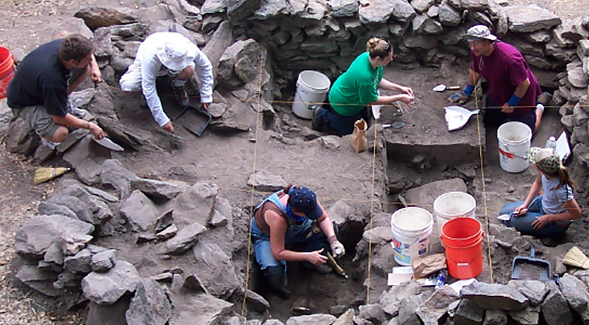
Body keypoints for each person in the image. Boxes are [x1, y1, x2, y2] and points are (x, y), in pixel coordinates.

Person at [6, 34, 104, 148]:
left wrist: (94, 67)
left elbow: (88, 52)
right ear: (73, 61)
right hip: (24, 103)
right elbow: (58, 117)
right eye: (87, 59)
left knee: (85, 68)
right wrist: (90, 126)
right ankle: (45, 132)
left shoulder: (67, 46)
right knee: (61, 133)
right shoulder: (53, 80)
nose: (90, 60)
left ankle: (60, 103)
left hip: (37, 87)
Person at [448, 25, 550, 134]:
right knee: (491, 121)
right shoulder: (477, 52)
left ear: (488, 41)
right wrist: (467, 92)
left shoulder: (510, 58)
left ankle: (540, 104)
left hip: (521, 94)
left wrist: (512, 103)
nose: (472, 47)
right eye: (470, 44)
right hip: (499, 90)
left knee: (527, 132)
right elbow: (475, 70)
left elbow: (524, 83)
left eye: (476, 43)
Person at [251, 184, 345, 297]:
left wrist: (333, 241)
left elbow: (323, 218)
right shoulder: (277, 216)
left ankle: (309, 264)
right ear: (294, 210)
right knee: (274, 272)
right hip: (267, 235)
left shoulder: (306, 199)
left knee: (329, 231)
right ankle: (279, 288)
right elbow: (278, 253)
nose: (312, 215)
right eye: (309, 214)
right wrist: (308, 256)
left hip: (295, 227)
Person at [312, 37, 414, 136]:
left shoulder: (370, 59)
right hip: (343, 103)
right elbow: (372, 100)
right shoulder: (365, 76)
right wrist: (400, 97)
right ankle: (321, 116)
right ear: (379, 58)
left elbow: (377, 80)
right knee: (348, 132)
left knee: (363, 121)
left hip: (351, 95)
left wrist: (400, 88)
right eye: (388, 58)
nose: (391, 59)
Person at [119, 32, 214, 134]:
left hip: (165, 68)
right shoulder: (150, 57)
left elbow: (205, 66)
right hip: (147, 66)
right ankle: (148, 93)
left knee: (189, 69)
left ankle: (177, 85)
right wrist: (162, 119)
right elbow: (149, 87)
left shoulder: (187, 48)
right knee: (128, 86)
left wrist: (206, 94)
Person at [499, 147, 581, 247]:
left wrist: (548, 218)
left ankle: (552, 235)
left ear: (539, 168)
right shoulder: (545, 173)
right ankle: (532, 217)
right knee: (504, 211)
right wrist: (525, 205)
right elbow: (537, 183)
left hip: (555, 223)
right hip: (543, 203)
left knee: (509, 220)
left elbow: (576, 213)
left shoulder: (561, 190)